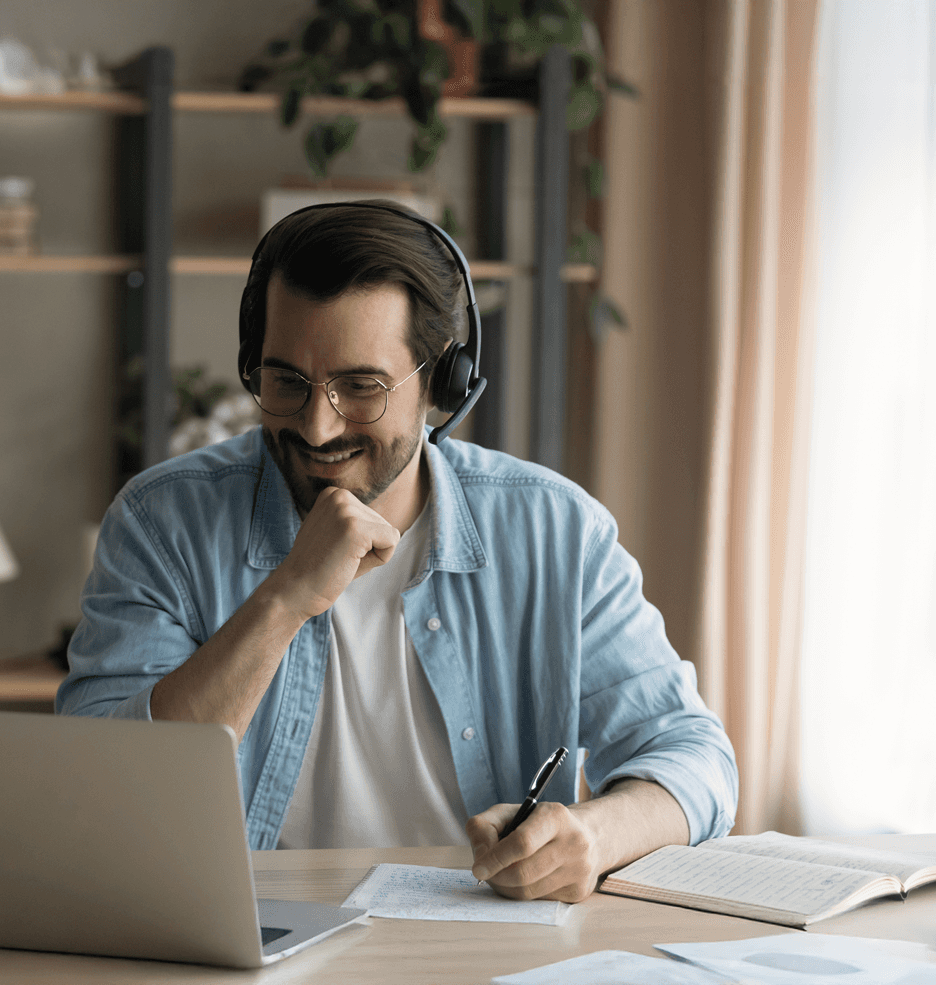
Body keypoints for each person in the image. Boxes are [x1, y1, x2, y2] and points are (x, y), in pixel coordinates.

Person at [57, 202, 738, 903]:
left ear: (444, 382)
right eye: (286, 381)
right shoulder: (162, 520)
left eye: (361, 387)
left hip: (479, 948)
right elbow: (103, 790)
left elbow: (699, 761)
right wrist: (287, 596)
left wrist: (594, 836)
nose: (317, 427)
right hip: (246, 933)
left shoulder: (556, 532)